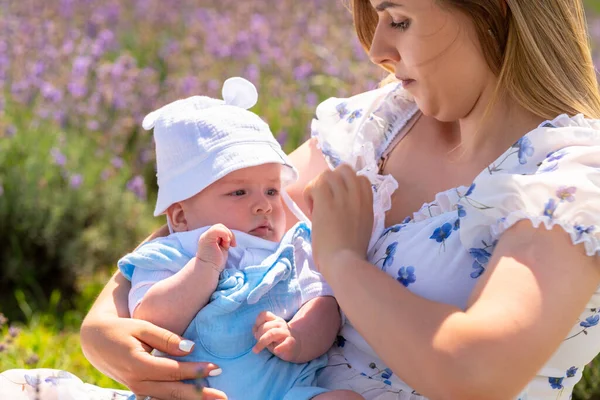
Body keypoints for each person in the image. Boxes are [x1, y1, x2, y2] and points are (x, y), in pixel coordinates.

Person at [74, 0, 600, 399]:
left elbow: (477, 374)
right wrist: (103, 327)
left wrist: (343, 261)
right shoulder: (380, 124)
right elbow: (216, 213)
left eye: (398, 19)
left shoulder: (571, 181)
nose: (377, 51)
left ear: (493, 12)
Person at [115, 77, 361, 400]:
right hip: (195, 392)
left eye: (272, 190)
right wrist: (201, 271)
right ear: (180, 216)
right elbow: (150, 322)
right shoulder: (171, 255)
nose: (264, 204)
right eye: (239, 191)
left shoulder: (293, 249)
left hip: (284, 392)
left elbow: (324, 306)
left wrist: (298, 336)